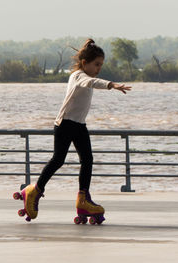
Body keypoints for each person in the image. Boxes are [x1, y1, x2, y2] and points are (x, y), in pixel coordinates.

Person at [21, 38, 132, 223]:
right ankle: (34, 191)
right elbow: (92, 82)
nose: (99, 68)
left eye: (101, 65)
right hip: (64, 123)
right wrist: (112, 85)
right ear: (84, 63)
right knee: (58, 159)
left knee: (87, 159)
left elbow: (93, 80)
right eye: (96, 64)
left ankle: (83, 199)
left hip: (79, 124)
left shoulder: (86, 76)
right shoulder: (78, 76)